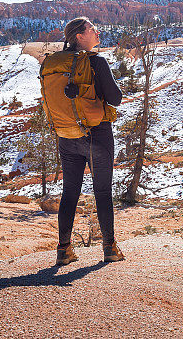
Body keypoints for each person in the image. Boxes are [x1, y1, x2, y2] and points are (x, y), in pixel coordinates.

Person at [55, 17, 125, 266]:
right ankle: (110, 248)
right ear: (79, 36)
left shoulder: (56, 64)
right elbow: (115, 99)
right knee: (103, 191)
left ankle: (63, 250)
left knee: (69, 193)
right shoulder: (96, 62)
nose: (97, 32)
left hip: (67, 135)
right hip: (97, 134)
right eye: (92, 29)